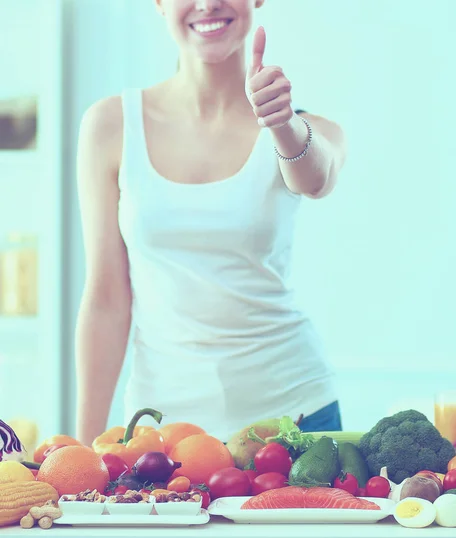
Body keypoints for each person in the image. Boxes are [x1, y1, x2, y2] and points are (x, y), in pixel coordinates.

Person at [74, 0, 347, 446]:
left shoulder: (303, 127)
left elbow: (317, 177)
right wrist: (82, 452)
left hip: (294, 419)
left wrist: (282, 125)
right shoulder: (109, 125)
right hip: (159, 432)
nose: (207, 3)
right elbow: (106, 299)